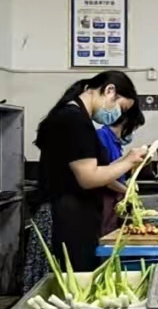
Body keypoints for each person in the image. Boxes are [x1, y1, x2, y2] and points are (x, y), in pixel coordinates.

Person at [35, 71, 145, 271]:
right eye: (121, 108)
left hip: (73, 216)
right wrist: (129, 161)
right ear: (109, 90)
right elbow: (88, 178)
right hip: (66, 219)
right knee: (73, 280)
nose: (117, 115)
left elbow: (98, 170)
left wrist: (127, 160)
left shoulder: (74, 117)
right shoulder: (74, 120)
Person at [96, 103, 146, 234]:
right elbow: (104, 176)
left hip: (113, 199)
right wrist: (128, 192)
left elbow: (114, 168)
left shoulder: (115, 143)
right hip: (102, 200)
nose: (132, 133)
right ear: (127, 123)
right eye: (134, 129)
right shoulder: (101, 137)